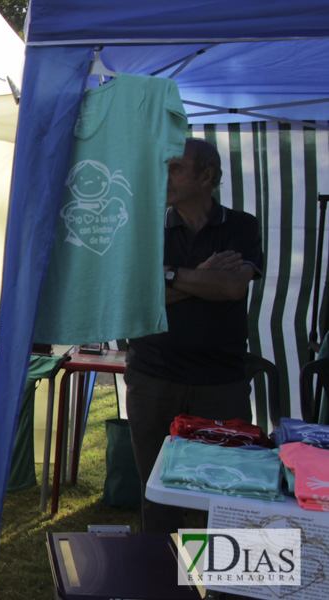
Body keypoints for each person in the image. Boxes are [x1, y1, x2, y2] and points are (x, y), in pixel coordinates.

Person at [126, 137, 264, 534]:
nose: (163, 177)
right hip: (153, 377)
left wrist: (168, 275)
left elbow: (233, 288)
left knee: (225, 491)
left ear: (209, 177)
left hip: (220, 382)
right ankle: (163, 584)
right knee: (156, 492)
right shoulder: (146, 224)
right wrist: (204, 275)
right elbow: (138, 295)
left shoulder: (241, 225)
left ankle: (222, 591)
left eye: (174, 168)